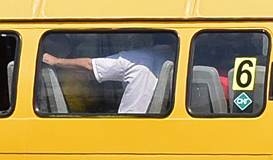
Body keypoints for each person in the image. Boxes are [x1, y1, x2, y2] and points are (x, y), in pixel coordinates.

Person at [42, 43, 174, 113]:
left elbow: (89, 66)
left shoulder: (133, 58)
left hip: (129, 123)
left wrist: (56, 61)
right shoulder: (169, 54)